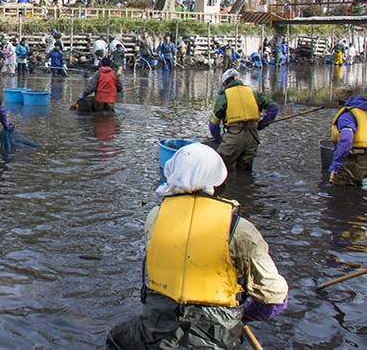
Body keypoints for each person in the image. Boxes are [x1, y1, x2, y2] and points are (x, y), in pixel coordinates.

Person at [107, 143, 289, 349]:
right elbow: (274, 298)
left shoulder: (154, 218)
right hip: (217, 337)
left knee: (116, 339)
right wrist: (245, 313)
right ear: (219, 181)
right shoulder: (241, 230)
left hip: (157, 328)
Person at [209, 68, 279, 172]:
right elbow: (274, 108)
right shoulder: (253, 93)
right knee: (244, 172)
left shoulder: (224, 97)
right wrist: (261, 124)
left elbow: (213, 125)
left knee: (217, 167)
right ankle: (244, 186)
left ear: (224, 82)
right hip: (253, 137)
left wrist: (218, 139)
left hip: (234, 136)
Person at [328, 85, 367, 186]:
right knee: (357, 189)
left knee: (342, 191)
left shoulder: (346, 116)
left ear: (338, 101)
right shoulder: (363, 110)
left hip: (353, 158)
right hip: (364, 159)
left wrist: (336, 162)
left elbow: (347, 139)